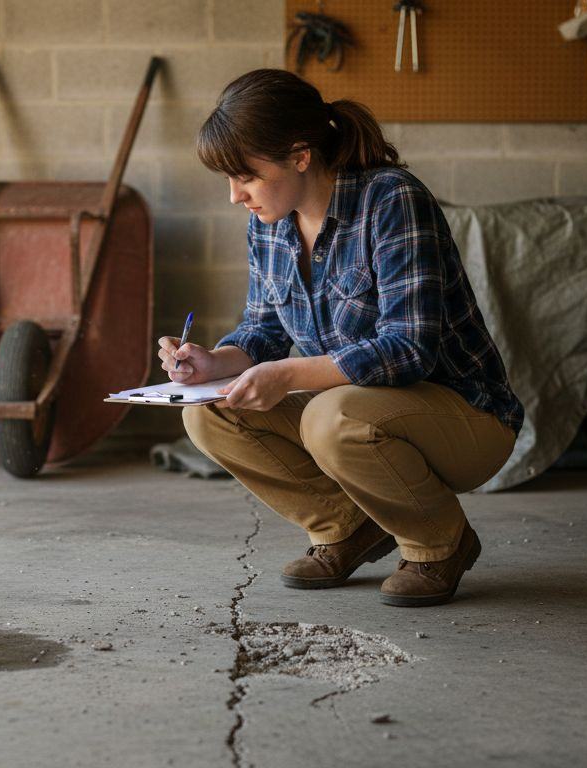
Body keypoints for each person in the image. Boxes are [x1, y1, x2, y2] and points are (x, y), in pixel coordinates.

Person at [158, 69, 524, 607]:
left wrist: (286, 375)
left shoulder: (392, 200)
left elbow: (407, 350)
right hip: (365, 408)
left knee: (330, 417)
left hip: (468, 417)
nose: (235, 196)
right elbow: (264, 331)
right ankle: (346, 526)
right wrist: (213, 363)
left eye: (247, 176)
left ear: (300, 156)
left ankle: (438, 543)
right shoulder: (268, 222)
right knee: (208, 411)